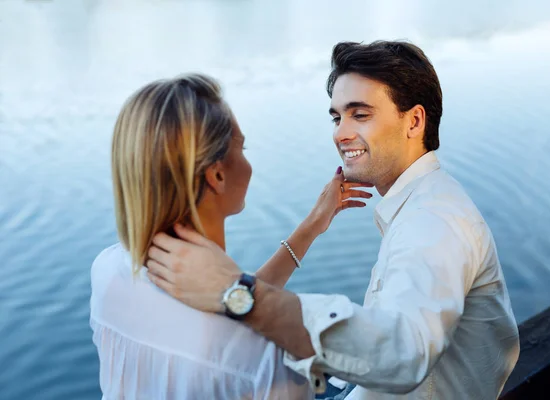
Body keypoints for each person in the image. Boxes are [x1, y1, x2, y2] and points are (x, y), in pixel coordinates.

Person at [146, 41, 521, 400]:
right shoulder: (421, 202)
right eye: (337, 116)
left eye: (360, 114)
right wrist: (312, 225)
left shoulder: (432, 223)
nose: (340, 133)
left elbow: (403, 354)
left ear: (414, 121)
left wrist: (239, 294)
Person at [89, 73, 373, 399]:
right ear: (218, 175)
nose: (248, 161)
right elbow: (233, 324)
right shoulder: (265, 357)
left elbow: (226, 305)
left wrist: (314, 223)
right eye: (243, 147)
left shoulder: (109, 271)